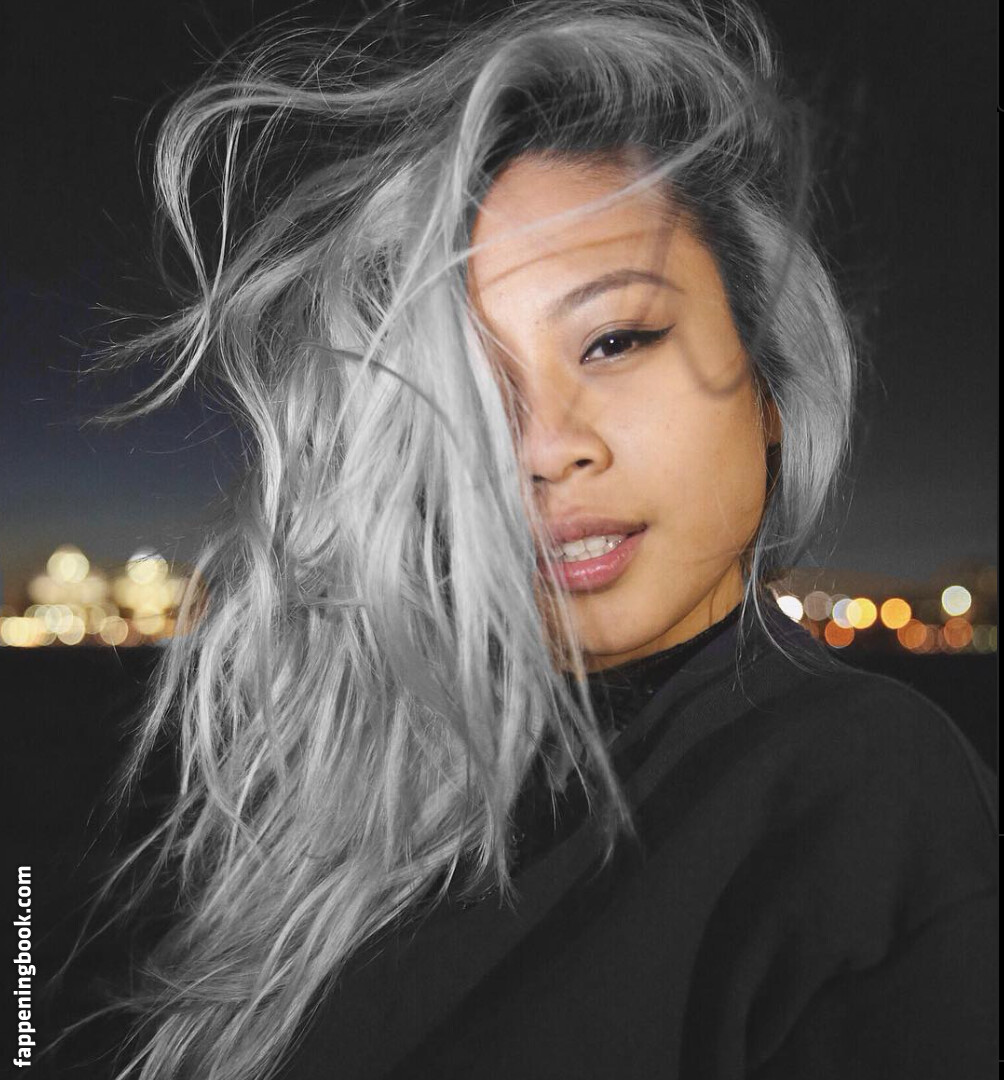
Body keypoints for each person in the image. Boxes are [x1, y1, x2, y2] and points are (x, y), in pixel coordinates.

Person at [71, 1, 996, 1078]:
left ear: (771, 382)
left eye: (614, 340)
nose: (543, 448)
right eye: (474, 388)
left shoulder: (858, 787)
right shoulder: (362, 795)